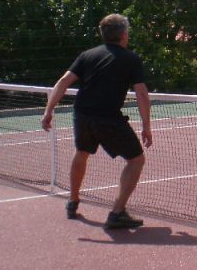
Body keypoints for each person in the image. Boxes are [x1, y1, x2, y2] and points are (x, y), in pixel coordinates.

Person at [41, 13, 153, 228]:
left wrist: (49, 110)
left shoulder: (87, 55)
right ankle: (117, 213)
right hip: (107, 117)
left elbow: (63, 81)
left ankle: (72, 202)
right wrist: (146, 126)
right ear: (124, 34)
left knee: (82, 152)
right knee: (136, 160)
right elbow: (141, 93)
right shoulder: (131, 59)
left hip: (82, 114)